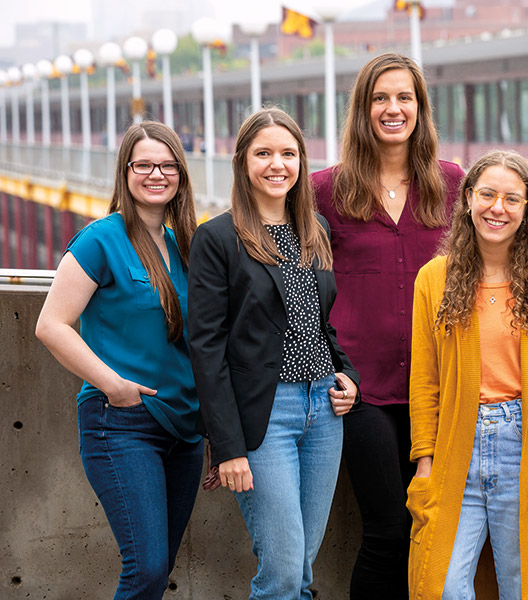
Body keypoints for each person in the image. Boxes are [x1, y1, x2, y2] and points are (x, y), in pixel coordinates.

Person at [187, 107, 360, 600]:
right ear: (243, 161)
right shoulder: (217, 237)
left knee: (301, 567)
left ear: (302, 161)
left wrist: (345, 374)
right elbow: (206, 348)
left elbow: (319, 322)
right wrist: (228, 448)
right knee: (283, 570)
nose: (277, 164)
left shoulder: (316, 231)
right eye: (263, 153)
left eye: (288, 153)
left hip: (324, 412)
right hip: (264, 418)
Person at [310, 52, 465, 598]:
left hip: (441, 388)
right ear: (363, 109)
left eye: (405, 97)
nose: (393, 108)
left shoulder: (451, 184)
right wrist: (329, 367)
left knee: (437, 529)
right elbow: (297, 288)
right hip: (362, 391)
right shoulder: (325, 191)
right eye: (381, 98)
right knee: (388, 529)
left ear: (420, 108)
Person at [408, 150, 528, 599]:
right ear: (468, 198)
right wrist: (426, 465)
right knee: (441, 584)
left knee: (523, 585)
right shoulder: (434, 279)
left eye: (512, 199)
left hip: (525, 446)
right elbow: (424, 381)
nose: (497, 208)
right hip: (455, 446)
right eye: (487, 194)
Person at [35, 121, 202, 599]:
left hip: (184, 430)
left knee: (159, 569)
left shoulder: (183, 246)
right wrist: (113, 384)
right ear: (125, 171)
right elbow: (51, 324)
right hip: (122, 424)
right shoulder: (99, 239)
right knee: (145, 570)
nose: (157, 174)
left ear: (181, 175)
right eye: (144, 164)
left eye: (168, 165)